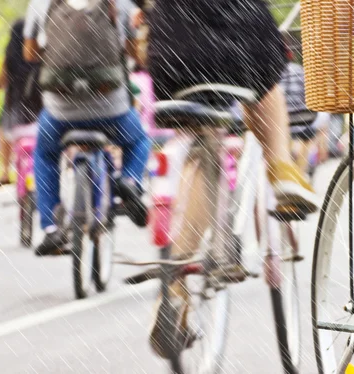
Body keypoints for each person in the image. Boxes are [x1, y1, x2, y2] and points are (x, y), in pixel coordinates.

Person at [145, 0, 319, 356]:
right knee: (266, 85)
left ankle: (175, 284)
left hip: (170, 49)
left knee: (203, 140)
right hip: (237, 34)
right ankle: (281, 165)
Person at [23, 0, 151, 256]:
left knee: (45, 154)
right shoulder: (118, 2)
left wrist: (60, 57)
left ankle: (50, 227)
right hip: (110, 109)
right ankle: (129, 182)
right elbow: (134, 53)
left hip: (61, 111)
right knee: (139, 142)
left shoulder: (41, 3)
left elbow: (29, 54)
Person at [0, 20, 43, 188]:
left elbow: (1, 81)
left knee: (3, 126)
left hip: (16, 113)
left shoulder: (10, 58)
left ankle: (4, 172)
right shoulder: (40, 55)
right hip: (40, 110)